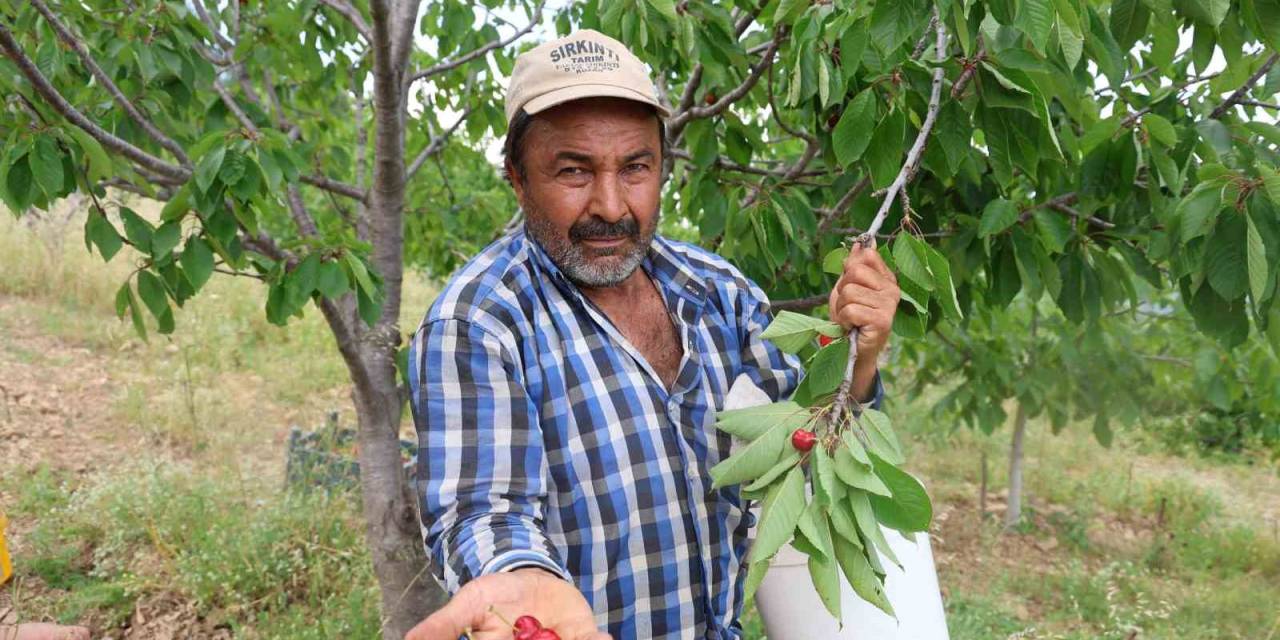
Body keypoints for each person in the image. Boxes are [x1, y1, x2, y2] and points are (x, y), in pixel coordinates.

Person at [405, 29, 900, 640]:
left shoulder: (718, 290)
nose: (611, 205)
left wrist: (859, 360)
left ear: (662, 167)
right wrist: (522, 582)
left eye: (635, 167)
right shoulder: (480, 321)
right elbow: (482, 511)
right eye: (573, 171)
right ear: (517, 176)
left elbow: (802, 438)